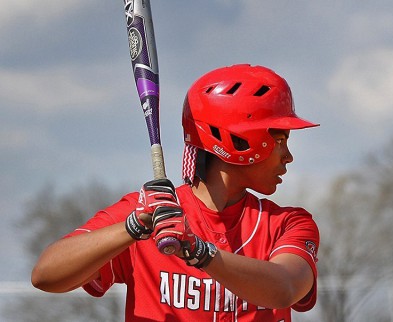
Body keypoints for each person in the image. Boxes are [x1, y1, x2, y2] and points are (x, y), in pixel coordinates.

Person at [31, 64, 320, 321]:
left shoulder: (288, 224)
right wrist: (133, 227)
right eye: (280, 139)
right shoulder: (149, 213)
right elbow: (46, 275)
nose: (288, 156)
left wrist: (199, 251)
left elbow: (284, 289)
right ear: (240, 140)